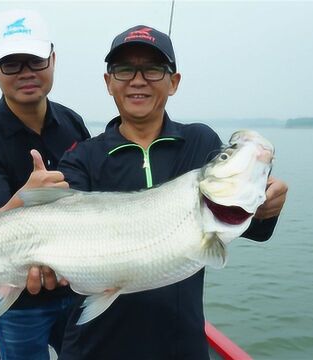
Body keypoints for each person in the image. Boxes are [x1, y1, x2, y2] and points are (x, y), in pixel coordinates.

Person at [27, 25, 288, 359]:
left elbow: (236, 220)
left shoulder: (200, 143)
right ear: (109, 83)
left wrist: (266, 209)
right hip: (93, 347)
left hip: (180, 347)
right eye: (124, 69)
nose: (138, 80)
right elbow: (59, 238)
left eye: (152, 69)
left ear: (173, 82)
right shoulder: (82, 158)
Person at [0, 9, 90, 360]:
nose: (26, 73)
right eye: (11, 64)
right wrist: (25, 197)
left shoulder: (73, 123)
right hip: (16, 299)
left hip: (79, 285)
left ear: (52, 59)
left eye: (34, 60)